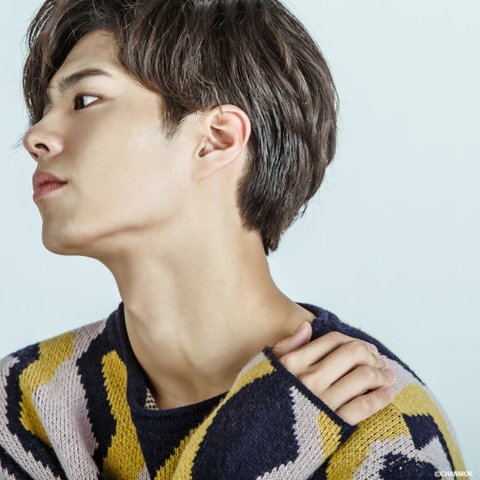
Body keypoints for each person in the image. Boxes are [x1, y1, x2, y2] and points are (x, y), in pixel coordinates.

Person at [0, 1, 466, 479]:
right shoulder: (22, 405)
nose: (35, 136)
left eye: (84, 100)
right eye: (43, 111)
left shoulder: (386, 430)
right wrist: (240, 454)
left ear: (217, 139)